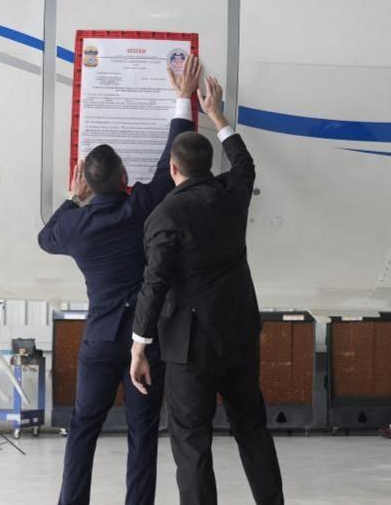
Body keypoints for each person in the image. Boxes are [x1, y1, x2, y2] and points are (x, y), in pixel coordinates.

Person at [38, 55, 202, 505]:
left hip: (97, 341)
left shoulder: (73, 227)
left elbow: (45, 237)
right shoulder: (142, 207)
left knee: (82, 430)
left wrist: (73, 198)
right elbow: (174, 161)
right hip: (143, 341)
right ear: (125, 178)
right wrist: (182, 99)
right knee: (142, 433)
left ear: (89, 184)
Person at [129, 75, 284, 505]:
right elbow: (244, 164)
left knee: (192, 443)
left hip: (188, 348)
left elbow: (155, 283)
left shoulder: (165, 215)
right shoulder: (232, 196)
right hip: (237, 335)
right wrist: (217, 114)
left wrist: (139, 345)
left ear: (173, 170)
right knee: (252, 428)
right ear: (208, 165)